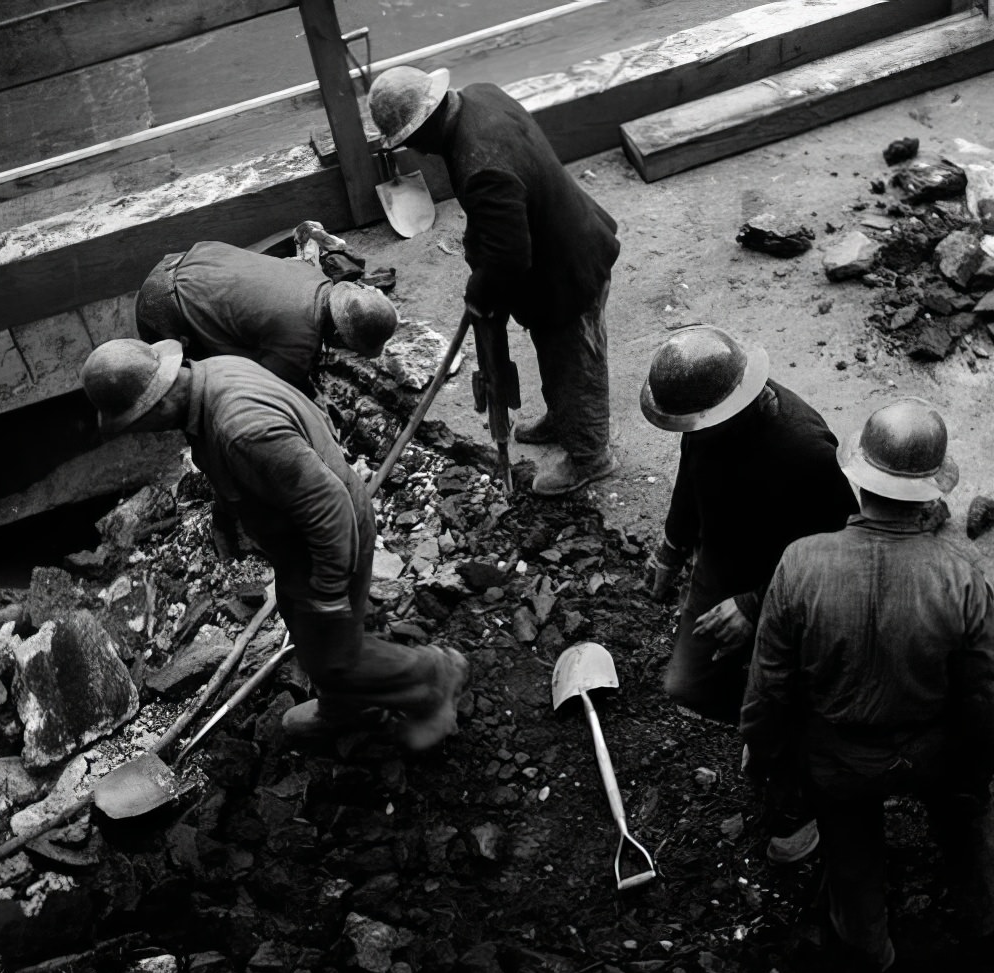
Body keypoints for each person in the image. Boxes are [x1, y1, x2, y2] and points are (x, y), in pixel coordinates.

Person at [741, 397, 994, 972]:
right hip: (934, 751)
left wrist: (764, 750)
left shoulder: (800, 563)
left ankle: (869, 947)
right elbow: (987, 693)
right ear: (932, 492)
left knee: (849, 846)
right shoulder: (959, 576)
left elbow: (769, 683)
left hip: (839, 758)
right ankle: (982, 910)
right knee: (967, 812)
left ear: (858, 479)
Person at [80, 338, 468, 751]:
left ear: (156, 404)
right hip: (299, 540)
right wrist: (226, 515)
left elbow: (329, 506)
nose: (143, 433)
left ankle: (434, 678)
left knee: (333, 655)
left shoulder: (241, 429)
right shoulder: (212, 373)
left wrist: (330, 587)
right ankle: (345, 709)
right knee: (302, 624)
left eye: (137, 423)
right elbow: (242, 465)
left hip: (329, 539)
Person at [641, 324, 858, 861]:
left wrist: (755, 605)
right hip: (724, 566)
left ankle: (800, 784)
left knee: (785, 700)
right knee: (687, 684)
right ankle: (765, 727)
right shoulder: (707, 421)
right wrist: (672, 545)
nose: (689, 435)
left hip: (787, 591)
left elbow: (834, 556)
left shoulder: (805, 450)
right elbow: (690, 478)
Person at [367, 66, 621, 496]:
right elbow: (502, 213)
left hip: (567, 269)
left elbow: (510, 258)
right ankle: (566, 417)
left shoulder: (480, 164)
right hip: (566, 237)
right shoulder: (481, 95)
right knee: (559, 360)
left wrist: (479, 292)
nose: (416, 151)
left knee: (573, 360)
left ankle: (591, 456)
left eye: (411, 140)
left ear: (425, 126)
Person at [135, 240, 399, 396]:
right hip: (160, 306)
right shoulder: (299, 343)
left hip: (181, 261)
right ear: (339, 336)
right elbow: (271, 391)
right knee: (221, 380)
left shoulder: (313, 275)